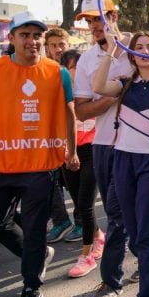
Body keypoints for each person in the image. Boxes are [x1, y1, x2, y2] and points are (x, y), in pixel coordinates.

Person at [0, 11, 78, 297]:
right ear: (11, 39)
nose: (32, 41)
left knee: (36, 228)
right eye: (24, 35)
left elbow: (69, 114)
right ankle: (34, 254)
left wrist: (72, 151)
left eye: (36, 35)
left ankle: (31, 288)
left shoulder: (57, 72)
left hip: (40, 166)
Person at [92, 27, 149, 297]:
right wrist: (111, 50)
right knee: (131, 228)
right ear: (132, 53)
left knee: (148, 233)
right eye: (137, 46)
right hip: (122, 160)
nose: (144, 50)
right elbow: (97, 87)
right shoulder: (125, 84)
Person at [72, 0, 136, 297]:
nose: (96, 25)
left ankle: (112, 280)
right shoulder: (86, 60)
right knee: (119, 213)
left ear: (115, 14)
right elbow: (82, 113)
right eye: (91, 20)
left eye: (101, 17)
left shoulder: (138, 48)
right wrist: (114, 95)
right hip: (103, 146)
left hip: (141, 145)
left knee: (123, 213)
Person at [60, 49, 106, 278]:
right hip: (67, 152)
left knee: (86, 205)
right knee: (78, 204)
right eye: (73, 68)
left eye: (81, 68)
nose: (78, 73)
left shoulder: (95, 90)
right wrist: (68, 151)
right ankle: (98, 236)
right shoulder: (59, 92)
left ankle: (87, 255)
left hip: (93, 150)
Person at [43, 28, 79, 243]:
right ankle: (61, 220)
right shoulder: (45, 70)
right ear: (47, 48)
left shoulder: (77, 66)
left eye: (61, 44)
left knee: (76, 184)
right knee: (50, 180)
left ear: (68, 44)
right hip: (50, 136)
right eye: (53, 45)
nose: (58, 49)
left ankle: (84, 223)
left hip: (78, 135)